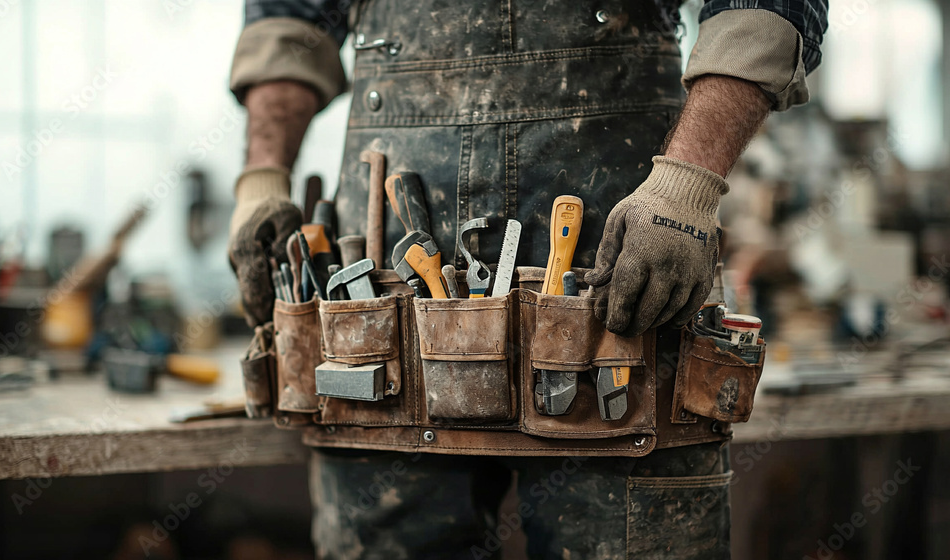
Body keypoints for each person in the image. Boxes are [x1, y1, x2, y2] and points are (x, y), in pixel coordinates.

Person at [227, 1, 827, 558]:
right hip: (389, 333)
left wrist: (687, 185)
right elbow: (290, 18)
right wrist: (262, 180)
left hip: (628, 275)